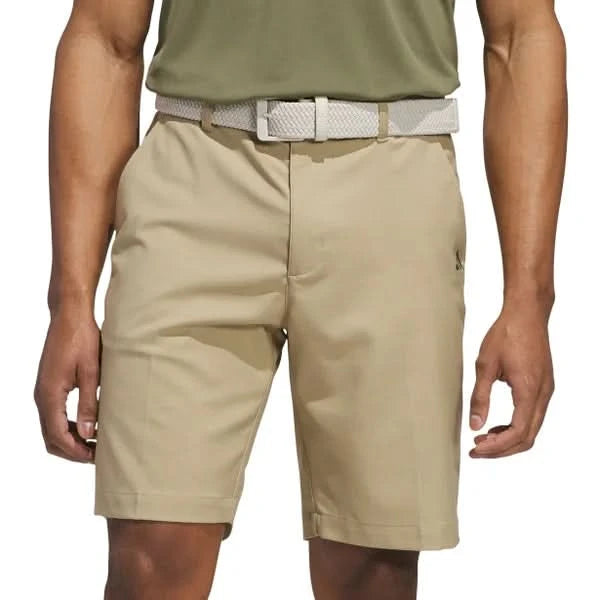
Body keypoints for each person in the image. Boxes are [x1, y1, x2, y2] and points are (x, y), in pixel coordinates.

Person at [34, 1, 567, 598]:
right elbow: (104, 37)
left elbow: (521, 33)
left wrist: (530, 299)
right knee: (150, 553)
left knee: (375, 564)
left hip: (393, 174)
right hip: (194, 171)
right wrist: (70, 300)